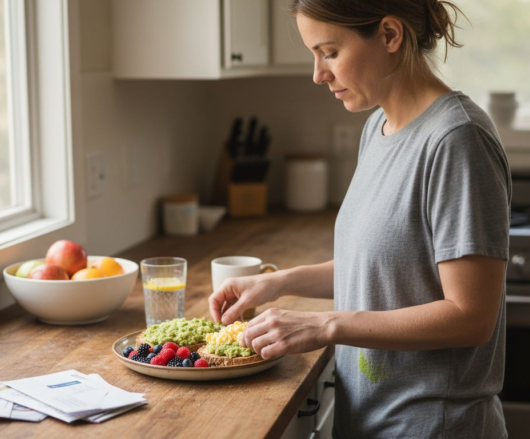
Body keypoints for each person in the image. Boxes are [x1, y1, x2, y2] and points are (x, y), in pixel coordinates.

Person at [208, 1, 511, 437]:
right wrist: (278, 282)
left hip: (432, 426)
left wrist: (325, 324)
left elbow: (471, 316)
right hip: (371, 419)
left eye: (329, 52)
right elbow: (384, 270)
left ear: (390, 35)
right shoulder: (378, 128)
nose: (318, 73)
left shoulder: (457, 140)